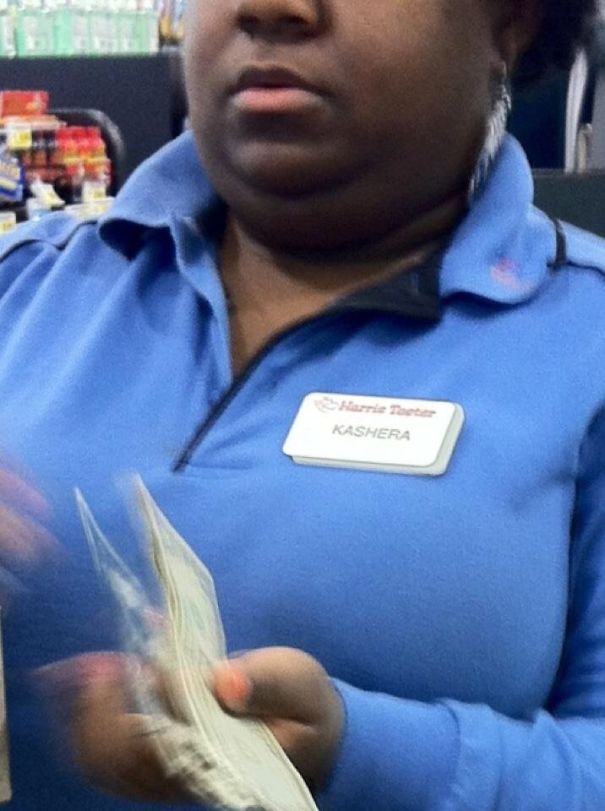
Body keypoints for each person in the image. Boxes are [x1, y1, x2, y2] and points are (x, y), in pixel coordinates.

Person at [1, 0, 604, 807]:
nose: (270, 7)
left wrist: (365, 752)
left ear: (511, 23)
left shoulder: (582, 341)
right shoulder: (21, 289)